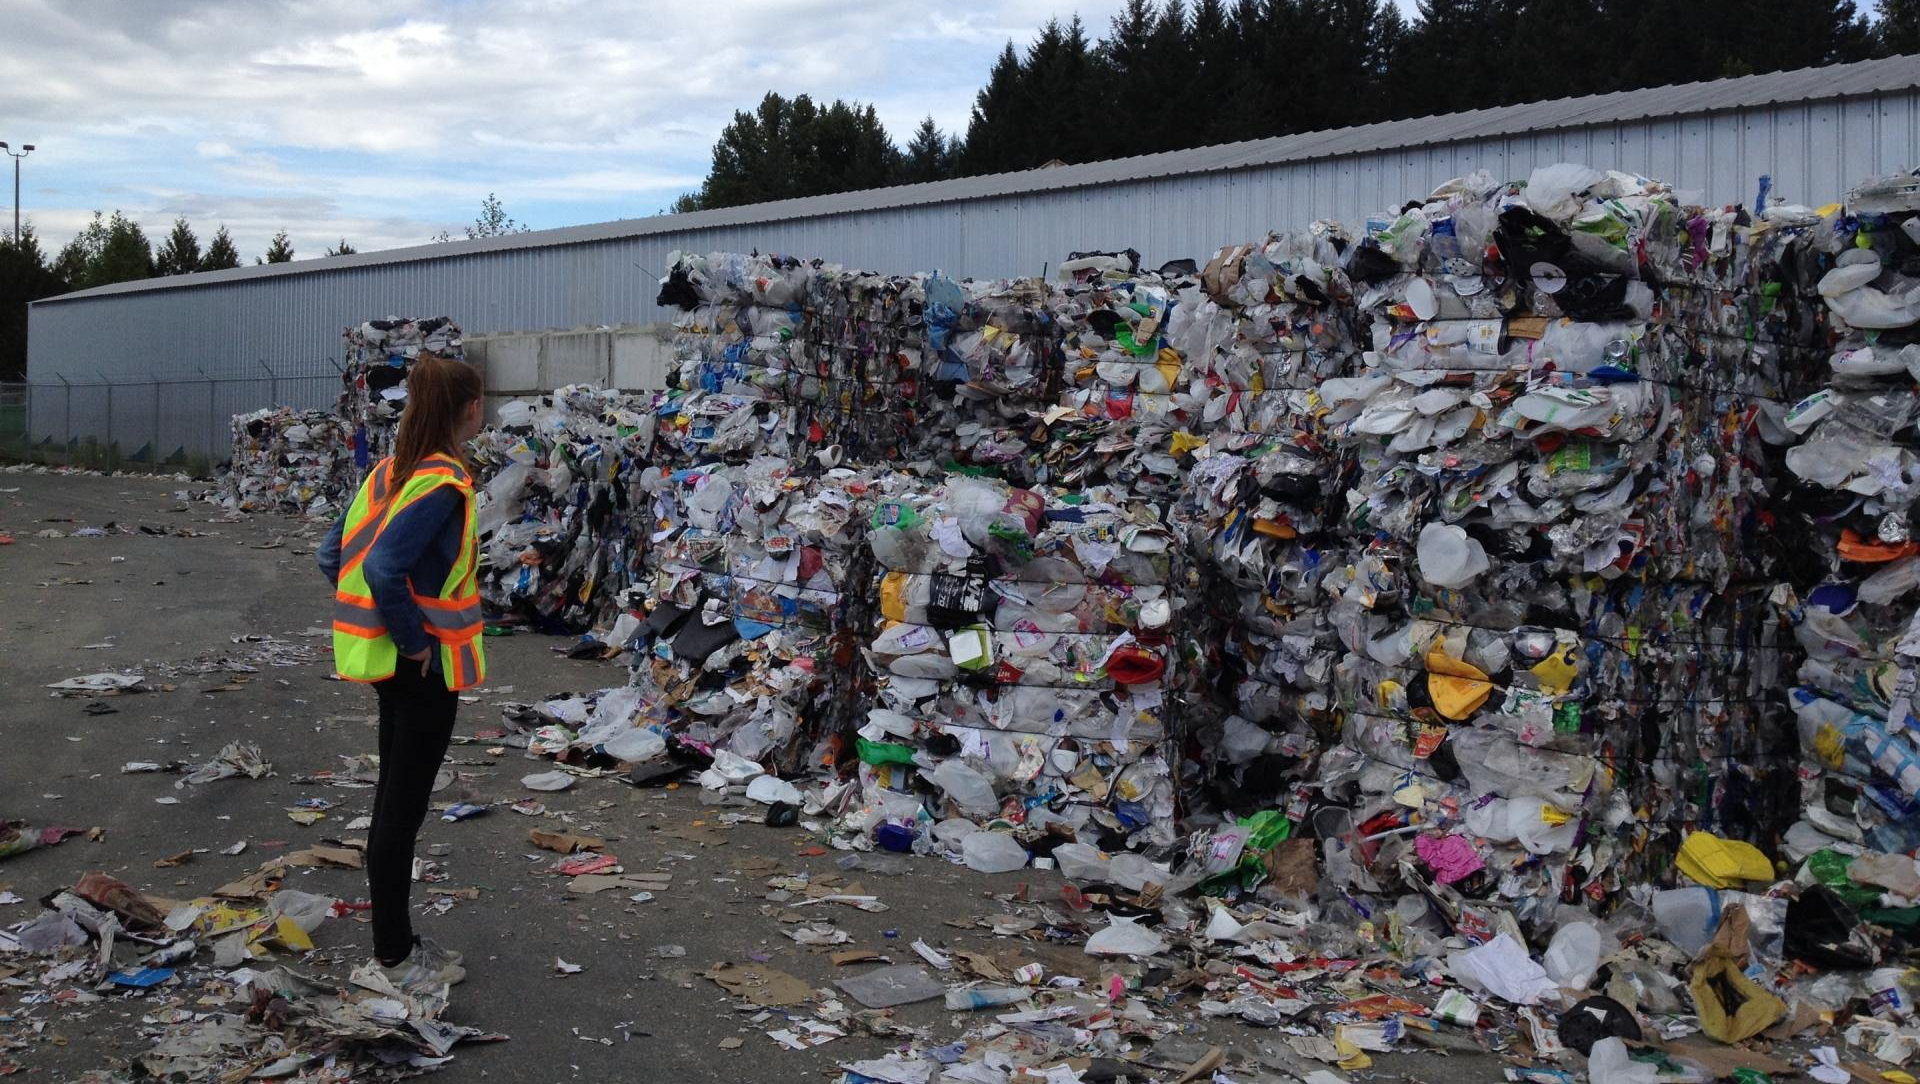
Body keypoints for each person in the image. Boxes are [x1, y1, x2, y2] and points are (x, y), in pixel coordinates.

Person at [317, 354, 488, 990]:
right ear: (468, 408)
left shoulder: (391, 472)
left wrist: (380, 623)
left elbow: (331, 553)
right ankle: (394, 956)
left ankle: (398, 943)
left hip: (393, 668)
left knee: (393, 800)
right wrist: (412, 638)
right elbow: (386, 568)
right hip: (424, 668)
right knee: (401, 811)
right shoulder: (442, 483)